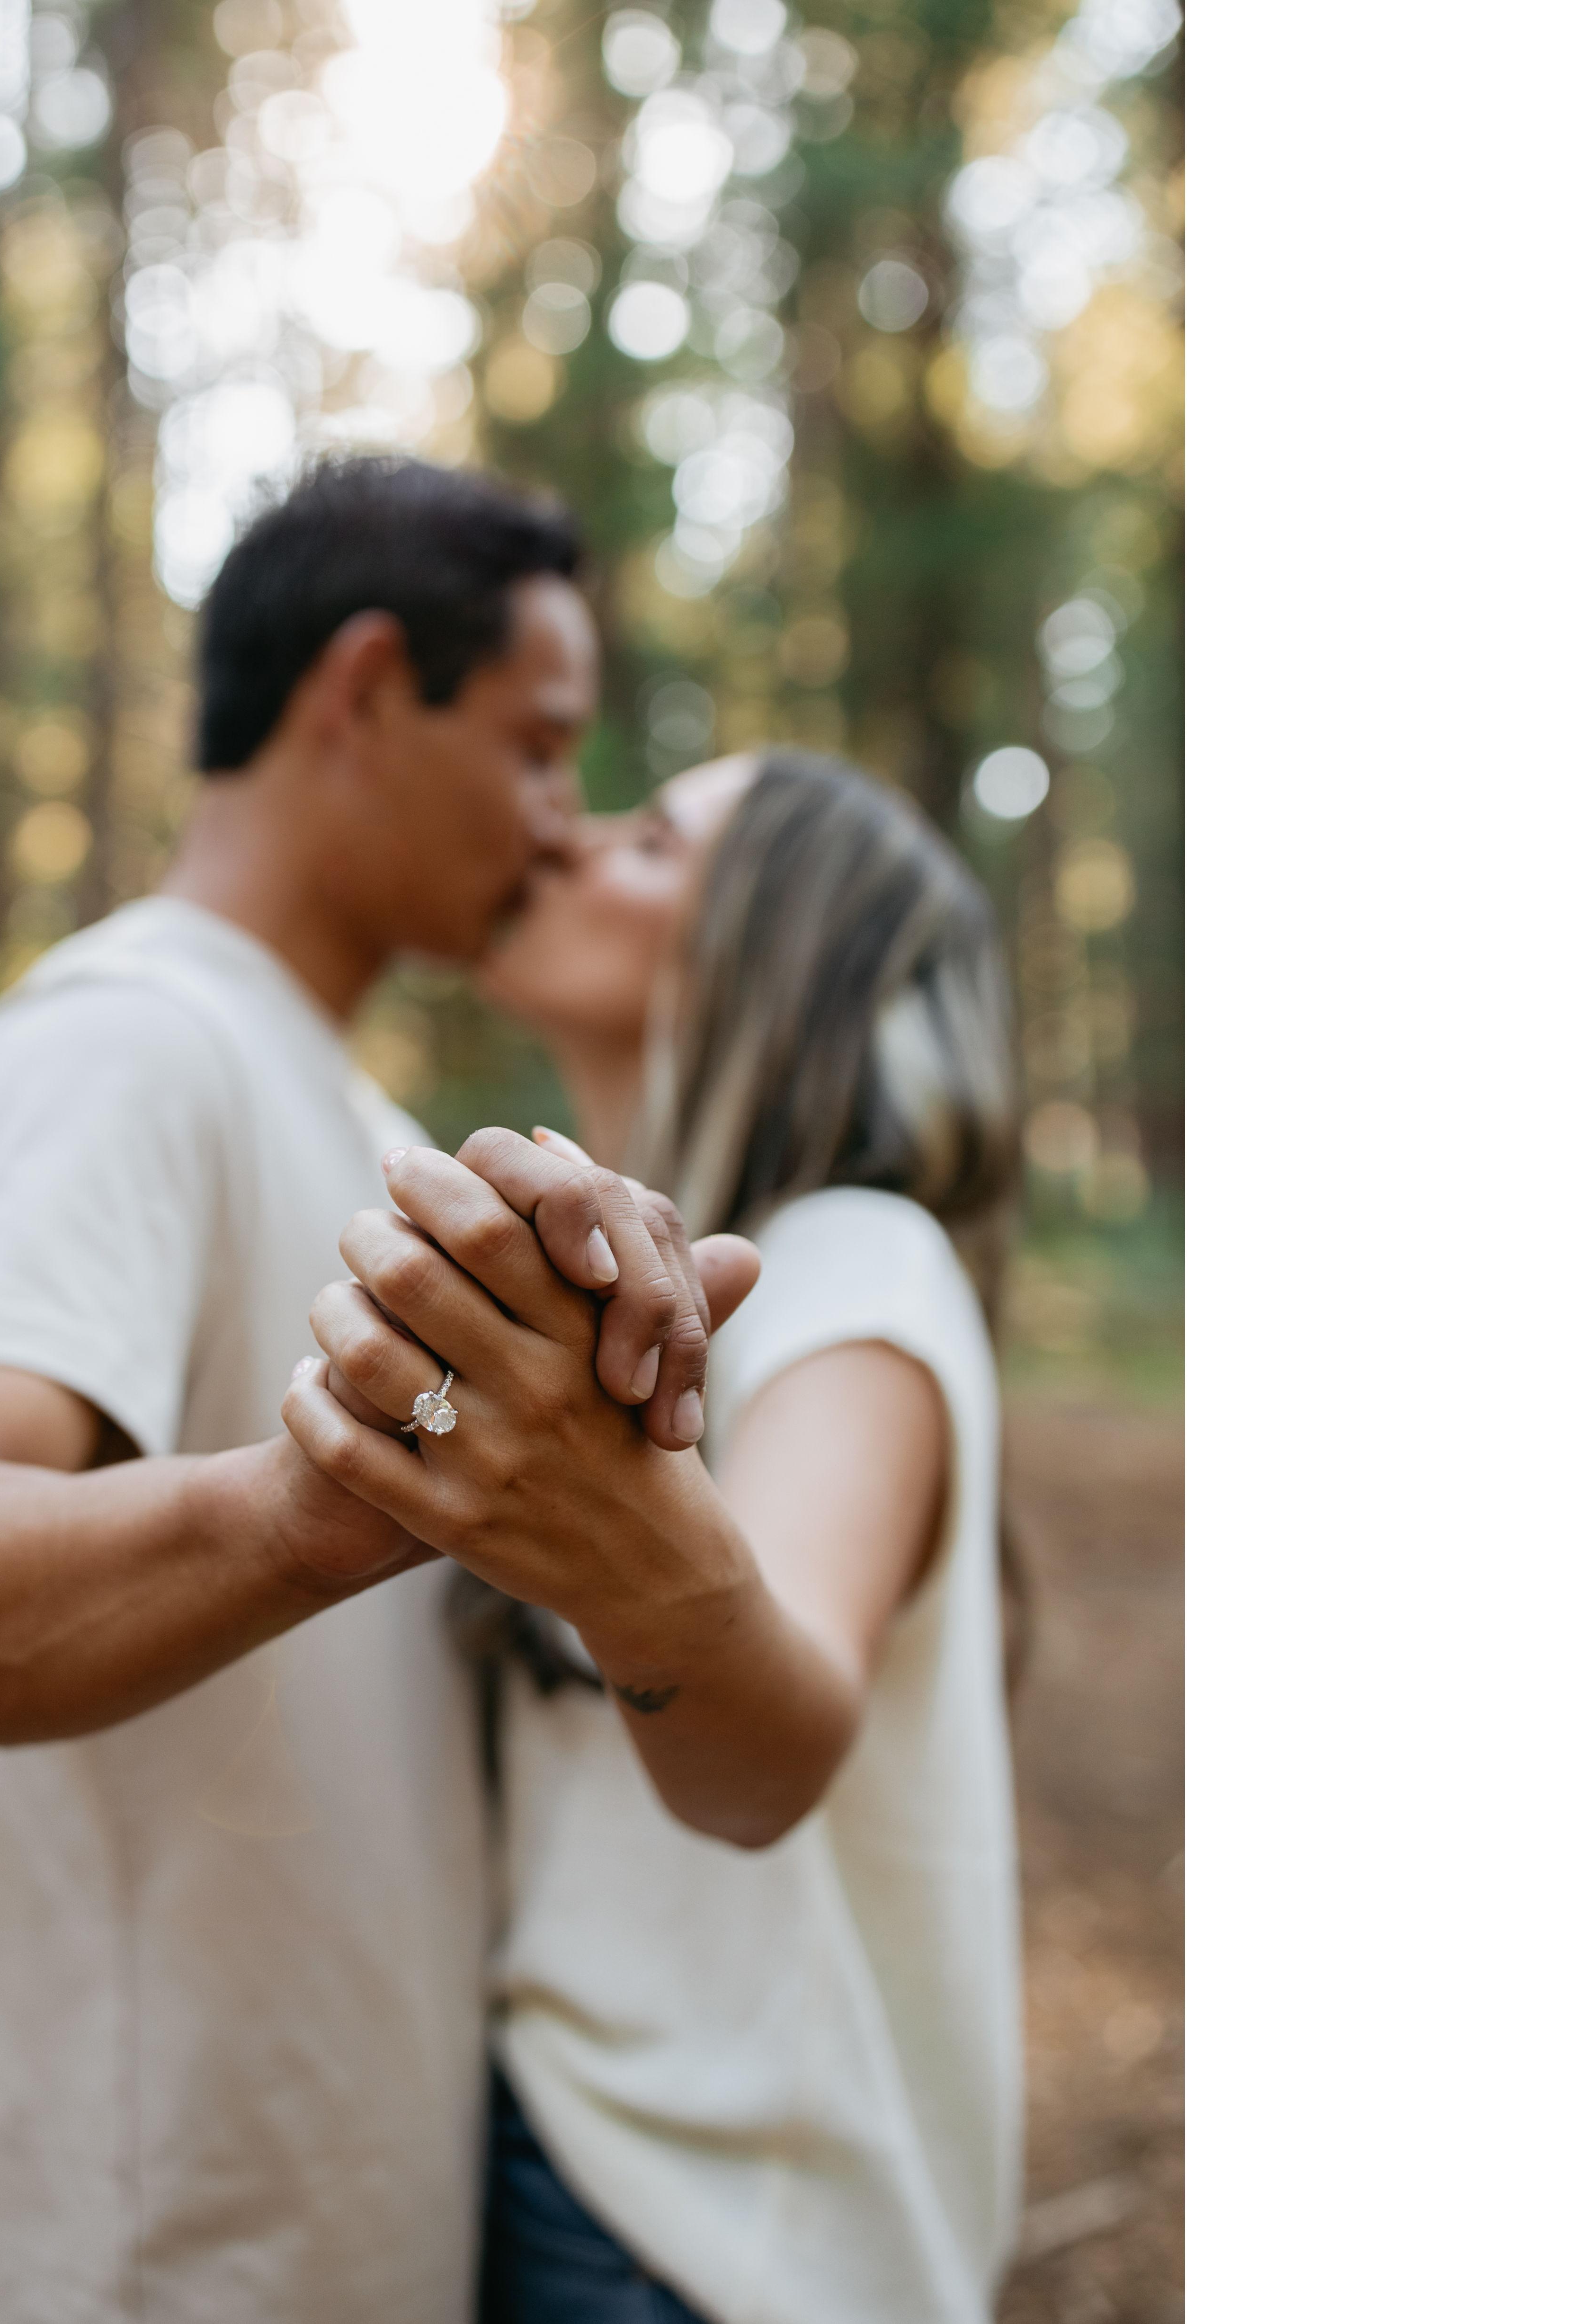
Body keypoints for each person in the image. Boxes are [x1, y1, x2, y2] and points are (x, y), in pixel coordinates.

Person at [0, 457, 747, 2324]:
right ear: (367, 690)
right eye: (538, 746)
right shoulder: (133, 1036)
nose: (559, 821)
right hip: (135, 2265)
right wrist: (323, 1504)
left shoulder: (342, 1101)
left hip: (321, 2230)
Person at [284, 748, 1026, 2323]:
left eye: (651, 841)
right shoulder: (617, 1284)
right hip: (588, 2146)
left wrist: (579, 1511)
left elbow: (766, 1756)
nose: (565, 837)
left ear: (777, 953)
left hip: (701, 2221)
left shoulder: (854, 1263)